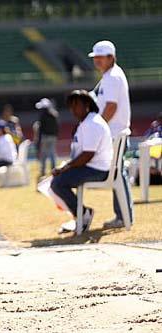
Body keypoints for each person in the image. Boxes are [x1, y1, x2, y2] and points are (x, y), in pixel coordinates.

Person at [51, 90, 113, 233]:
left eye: (76, 105)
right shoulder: (86, 122)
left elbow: (87, 155)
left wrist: (66, 167)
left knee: (57, 183)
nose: (73, 109)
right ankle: (79, 215)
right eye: (71, 106)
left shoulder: (92, 123)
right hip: (91, 167)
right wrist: (65, 167)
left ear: (87, 104)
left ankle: (83, 214)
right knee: (54, 181)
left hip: (97, 170)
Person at [89, 40, 134, 229]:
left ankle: (124, 216)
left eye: (101, 57)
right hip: (115, 133)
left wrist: (98, 129)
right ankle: (123, 215)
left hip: (115, 134)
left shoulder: (112, 77)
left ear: (111, 58)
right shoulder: (110, 75)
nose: (97, 61)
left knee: (117, 174)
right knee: (118, 173)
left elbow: (111, 107)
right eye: (95, 57)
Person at [35, 98, 59, 179]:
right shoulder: (54, 114)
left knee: (44, 155)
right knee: (52, 154)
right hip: (53, 137)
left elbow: (41, 129)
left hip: (45, 137)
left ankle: (43, 172)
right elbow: (57, 127)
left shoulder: (43, 115)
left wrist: (38, 142)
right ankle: (54, 171)